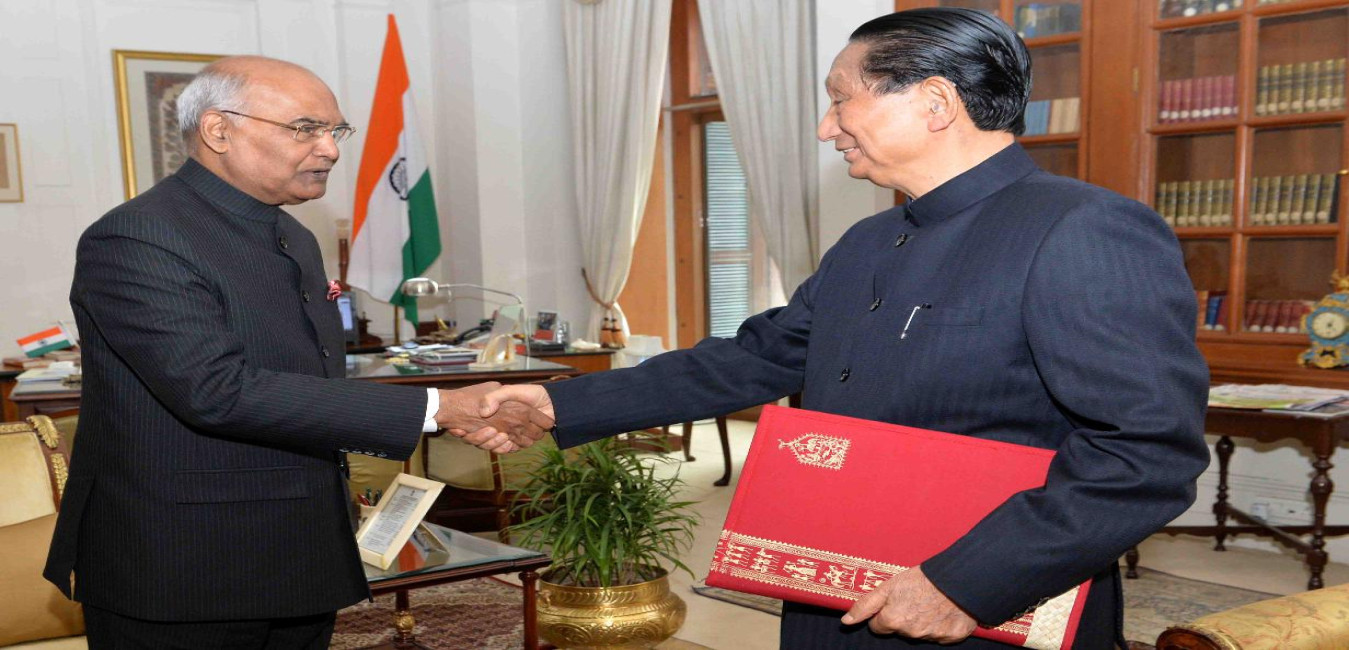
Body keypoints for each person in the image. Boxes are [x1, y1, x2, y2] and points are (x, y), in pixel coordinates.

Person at [479, 8, 1210, 649]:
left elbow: (1144, 453)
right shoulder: (868, 240)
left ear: (934, 101)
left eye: (839, 100)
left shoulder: (1085, 229)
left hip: (984, 602)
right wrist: (557, 403)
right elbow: (756, 358)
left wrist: (965, 584)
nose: (826, 127)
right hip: (834, 587)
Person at [43, 56, 552, 648]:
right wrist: (440, 408)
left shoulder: (294, 236)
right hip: (185, 564)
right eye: (305, 129)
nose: (330, 150)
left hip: (302, 549)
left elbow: (308, 383)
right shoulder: (138, 236)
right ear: (219, 130)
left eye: (335, 131)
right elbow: (217, 391)